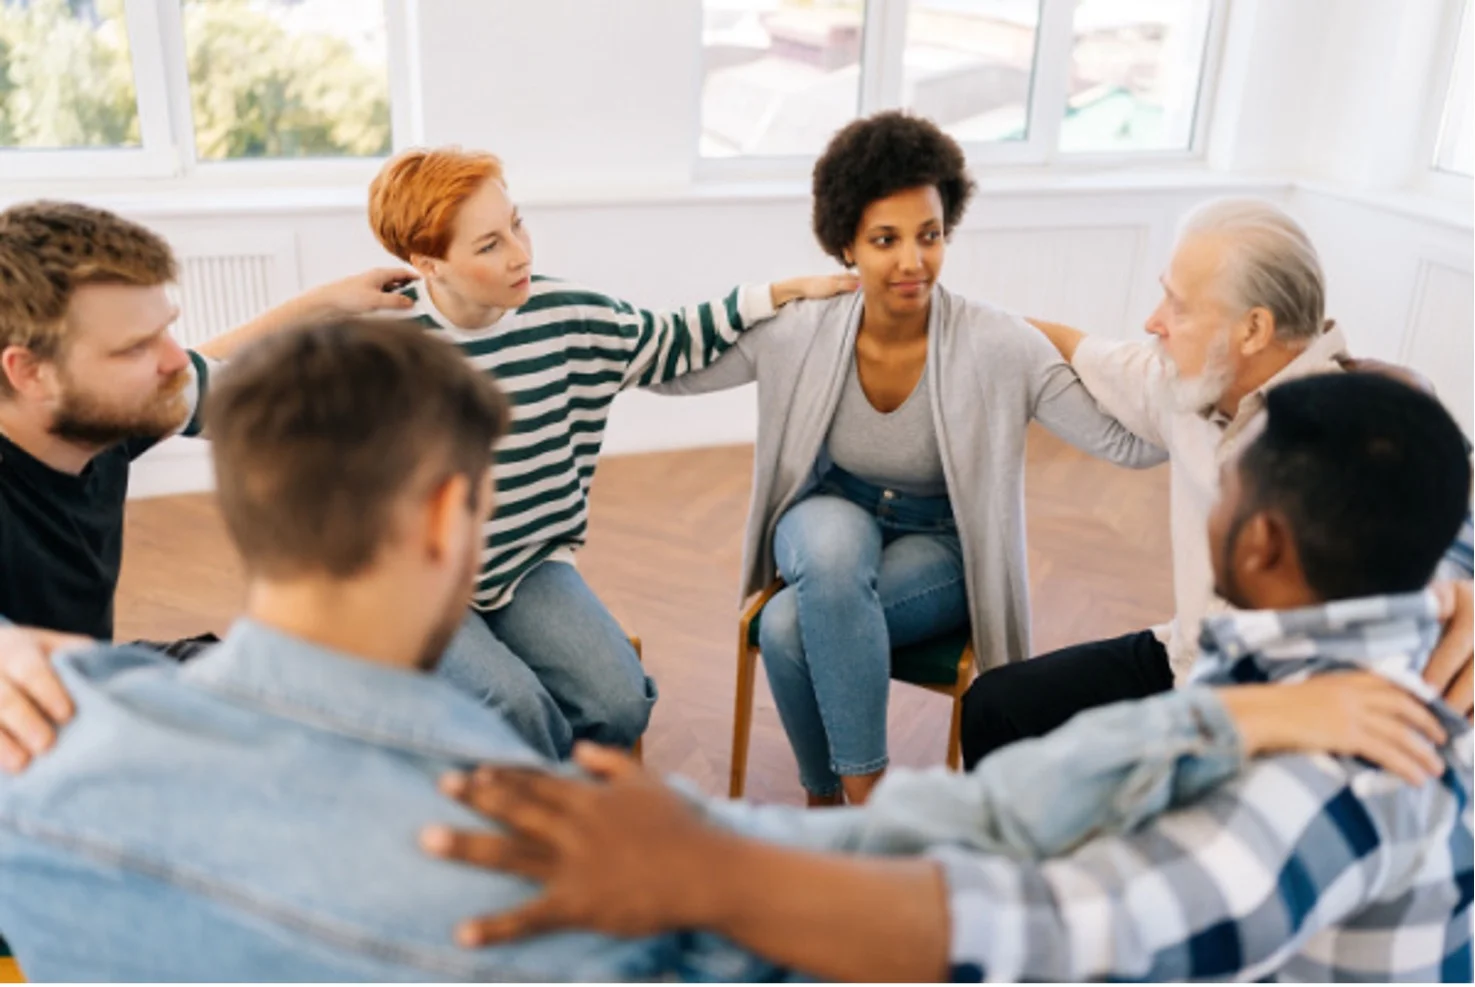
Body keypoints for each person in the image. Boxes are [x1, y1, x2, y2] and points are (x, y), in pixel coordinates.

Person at [0, 327, 1450, 982]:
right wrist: (1192, 728)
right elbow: (957, 861)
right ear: (456, 513)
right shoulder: (565, 868)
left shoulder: (52, 745)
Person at [426, 372, 1475, 983]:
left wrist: (705, 873)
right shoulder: (1386, 625)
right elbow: (999, 819)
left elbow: (1040, 928)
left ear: (1261, 545)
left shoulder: (1335, 777)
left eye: (1222, 490)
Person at [653, 111, 1165, 804]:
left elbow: (1127, 443)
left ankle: (827, 798)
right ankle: (872, 801)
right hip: (831, 511)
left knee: (785, 623)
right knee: (829, 559)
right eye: (884, 240)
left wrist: (1088, 348)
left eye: (928, 236)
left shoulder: (996, 344)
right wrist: (762, 297)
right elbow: (669, 366)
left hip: (938, 543)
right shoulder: (800, 329)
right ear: (845, 245)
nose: (911, 261)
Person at [366, 147, 855, 758]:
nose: (520, 253)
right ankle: (548, 826)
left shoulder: (564, 314)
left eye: (516, 224)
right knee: (514, 707)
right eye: (489, 245)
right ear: (427, 262)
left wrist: (776, 293)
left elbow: (671, 338)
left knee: (621, 704)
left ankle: (533, 796)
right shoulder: (380, 347)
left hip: (526, 564)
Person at [959, 197, 1475, 766]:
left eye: (1177, 306)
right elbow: (1078, 346)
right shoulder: (1187, 385)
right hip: (1187, 662)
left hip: (1288, 717)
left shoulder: (1358, 428)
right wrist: (938, 313)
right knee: (997, 705)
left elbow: (1457, 507)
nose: (1153, 321)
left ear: (1253, 328)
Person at [0, 202, 412, 735]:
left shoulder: (95, 413)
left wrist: (330, 303)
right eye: (134, 348)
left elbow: (212, 372)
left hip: (87, 675)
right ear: (29, 371)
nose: (172, 360)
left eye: (164, 331)